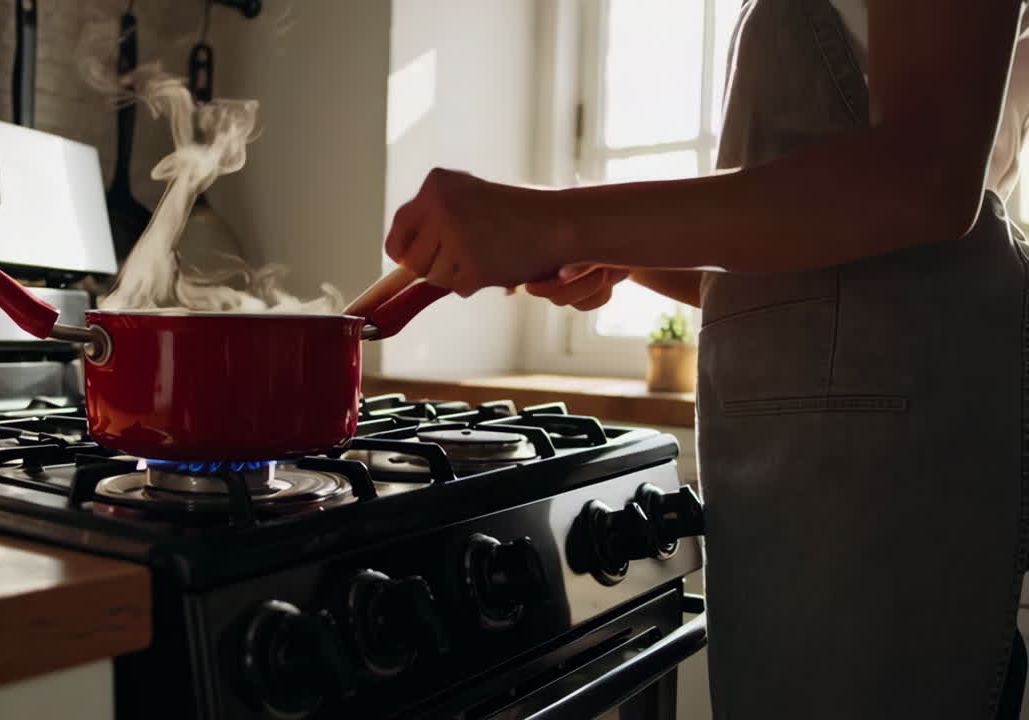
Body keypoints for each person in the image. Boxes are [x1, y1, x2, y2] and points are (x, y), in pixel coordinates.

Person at [384, 1, 1029, 718]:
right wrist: (621, 249)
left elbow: (927, 177)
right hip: (825, 487)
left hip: (885, 496)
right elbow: (821, 290)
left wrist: (555, 219)